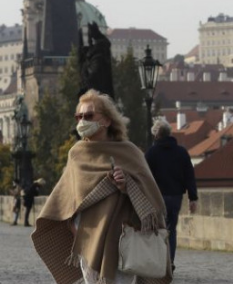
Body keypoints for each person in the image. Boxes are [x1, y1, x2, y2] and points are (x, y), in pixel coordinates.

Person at [31, 90, 172, 284]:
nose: (82, 120)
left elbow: (152, 198)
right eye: (78, 116)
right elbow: (67, 198)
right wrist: (73, 227)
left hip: (122, 238)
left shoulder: (129, 152)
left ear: (106, 121)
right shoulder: (77, 154)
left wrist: (127, 185)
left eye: (88, 116)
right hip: (88, 237)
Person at [145, 119, 198, 270]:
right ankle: (170, 261)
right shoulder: (181, 152)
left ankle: (158, 261)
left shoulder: (151, 153)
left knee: (155, 230)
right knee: (171, 230)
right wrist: (193, 198)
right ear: (170, 133)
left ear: (156, 135)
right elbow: (189, 175)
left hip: (156, 196)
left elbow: (144, 176)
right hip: (175, 196)